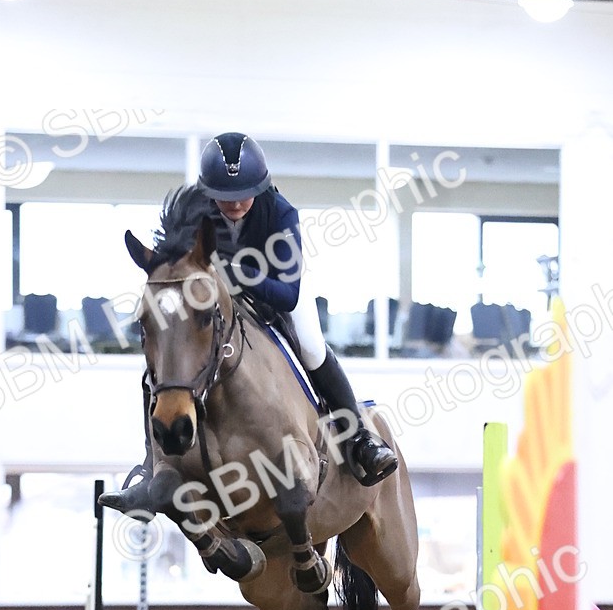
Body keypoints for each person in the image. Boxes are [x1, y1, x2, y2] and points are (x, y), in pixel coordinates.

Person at [101, 133, 397, 516]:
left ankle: (359, 438)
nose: (237, 202)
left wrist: (234, 273)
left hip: (277, 294)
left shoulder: (281, 213)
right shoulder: (196, 215)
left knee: (310, 344)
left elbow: (287, 292)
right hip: (215, 307)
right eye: (225, 195)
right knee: (169, 364)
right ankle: (151, 466)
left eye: (245, 192)